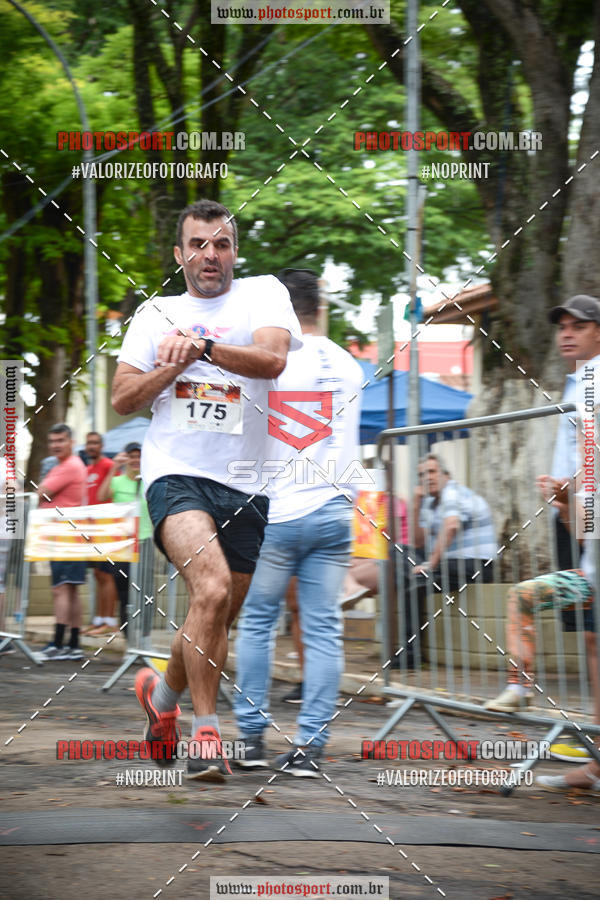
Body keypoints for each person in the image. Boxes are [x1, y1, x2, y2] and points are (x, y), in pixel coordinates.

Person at [112, 198, 301, 780]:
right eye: (197, 244)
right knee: (212, 588)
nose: (209, 255)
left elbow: (272, 361)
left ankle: (160, 701)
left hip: (247, 483)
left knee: (213, 613)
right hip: (176, 474)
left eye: (220, 244)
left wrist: (204, 348)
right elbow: (122, 398)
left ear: (234, 250)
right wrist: (174, 364)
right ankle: (206, 736)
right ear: (179, 254)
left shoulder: (264, 294)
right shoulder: (155, 313)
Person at [233, 267, 363, 776]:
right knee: (325, 629)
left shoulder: (271, 360)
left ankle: (250, 740)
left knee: (259, 623)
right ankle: (311, 749)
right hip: (334, 512)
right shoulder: (351, 365)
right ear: (320, 306)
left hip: (278, 513)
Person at [483, 475, 600, 793]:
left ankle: (596, 766)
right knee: (523, 595)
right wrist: (564, 504)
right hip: (589, 579)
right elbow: (584, 537)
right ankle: (520, 686)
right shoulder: (590, 473)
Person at [538, 294, 600, 763]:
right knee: (589, 633)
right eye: (562, 325)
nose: (566, 332)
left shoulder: (595, 380)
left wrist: (569, 495)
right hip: (572, 509)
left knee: (595, 633)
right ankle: (592, 739)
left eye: (577, 325)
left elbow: (593, 455)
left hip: (586, 511)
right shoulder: (577, 380)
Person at [36, 424, 87, 660]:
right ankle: (74, 644)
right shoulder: (71, 465)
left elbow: (42, 492)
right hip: (70, 535)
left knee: (61, 590)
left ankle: (57, 643)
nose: (55, 445)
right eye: (52, 441)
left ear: (71, 441)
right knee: (72, 590)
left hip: (65, 536)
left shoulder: (68, 466)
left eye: (60, 440)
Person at [97, 442, 153, 635]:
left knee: (144, 592)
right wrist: (114, 467)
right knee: (124, 593)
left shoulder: (148, 481)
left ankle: (143, 639)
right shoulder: (118, 480)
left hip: (144, 542)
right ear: (126, 459)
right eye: (131, 456)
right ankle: (129, 640)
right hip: (122, 545)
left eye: (139, 456)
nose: (135, 460)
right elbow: (101, 495)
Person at [84, 431, 118, 636]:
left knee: (107, 575)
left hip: (105, 529)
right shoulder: (88, 469)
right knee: (98, 575)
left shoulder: (107, 465)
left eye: (95, 443)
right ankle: (98, 620)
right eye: (89, 443)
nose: (92, 446)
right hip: (90, 530)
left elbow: (113, 491)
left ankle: (109, 622)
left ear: (101, 446)